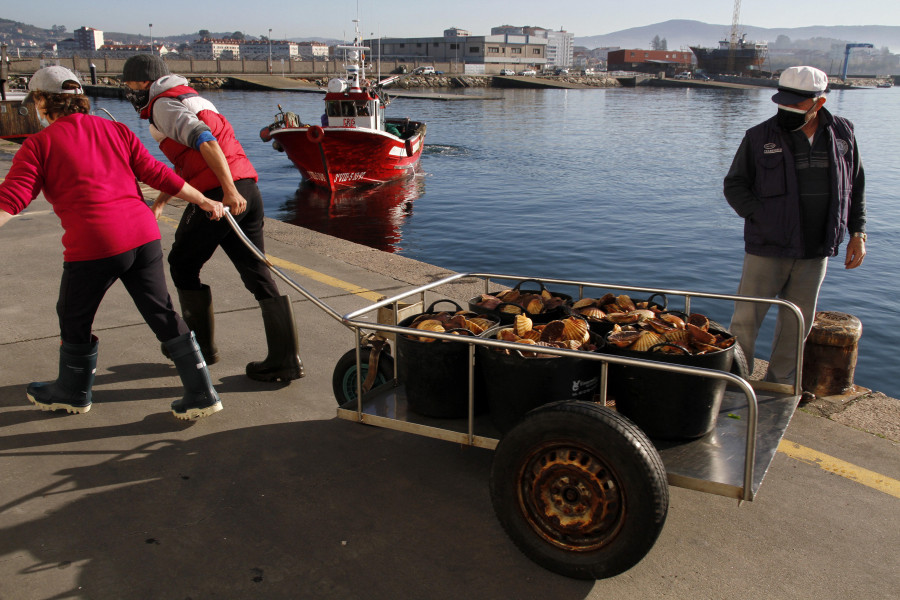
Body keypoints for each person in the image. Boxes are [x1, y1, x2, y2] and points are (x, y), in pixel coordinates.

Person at [0, 66, 226, 420]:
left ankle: (73, 391)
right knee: (161, 312)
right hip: (142, 235)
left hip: (95, 243)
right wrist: (204, 200)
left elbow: (11, 199)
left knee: (73, 315)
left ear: (43, 101)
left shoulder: (39, 145)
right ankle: (202, 393)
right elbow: (157, 173)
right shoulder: (115, 129)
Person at [121, 55, 304, 382]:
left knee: (181, 263)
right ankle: (286, 359)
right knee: (255, 271)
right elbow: (189, 160)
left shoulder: (163, 105)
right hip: (248, 188)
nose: (126, 89)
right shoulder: (190, 96)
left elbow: (205, 140)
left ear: (143, 82)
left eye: (129, 83)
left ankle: (201, 349)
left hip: (222, 194)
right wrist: (164, 197)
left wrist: (227, 191)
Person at [724, 65, 866, 384]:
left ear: (820, 102)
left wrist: (858, 232)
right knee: (746, 321)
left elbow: (855, 186)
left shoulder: (844, 134)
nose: (786, 109)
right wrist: (762, 217)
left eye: (796, 104)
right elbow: (734, 185)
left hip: (816, 250)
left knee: (796, 325)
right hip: (767, 247)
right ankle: (734, 383)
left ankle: (780, 386)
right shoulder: (758, 137)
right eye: (782, 101)